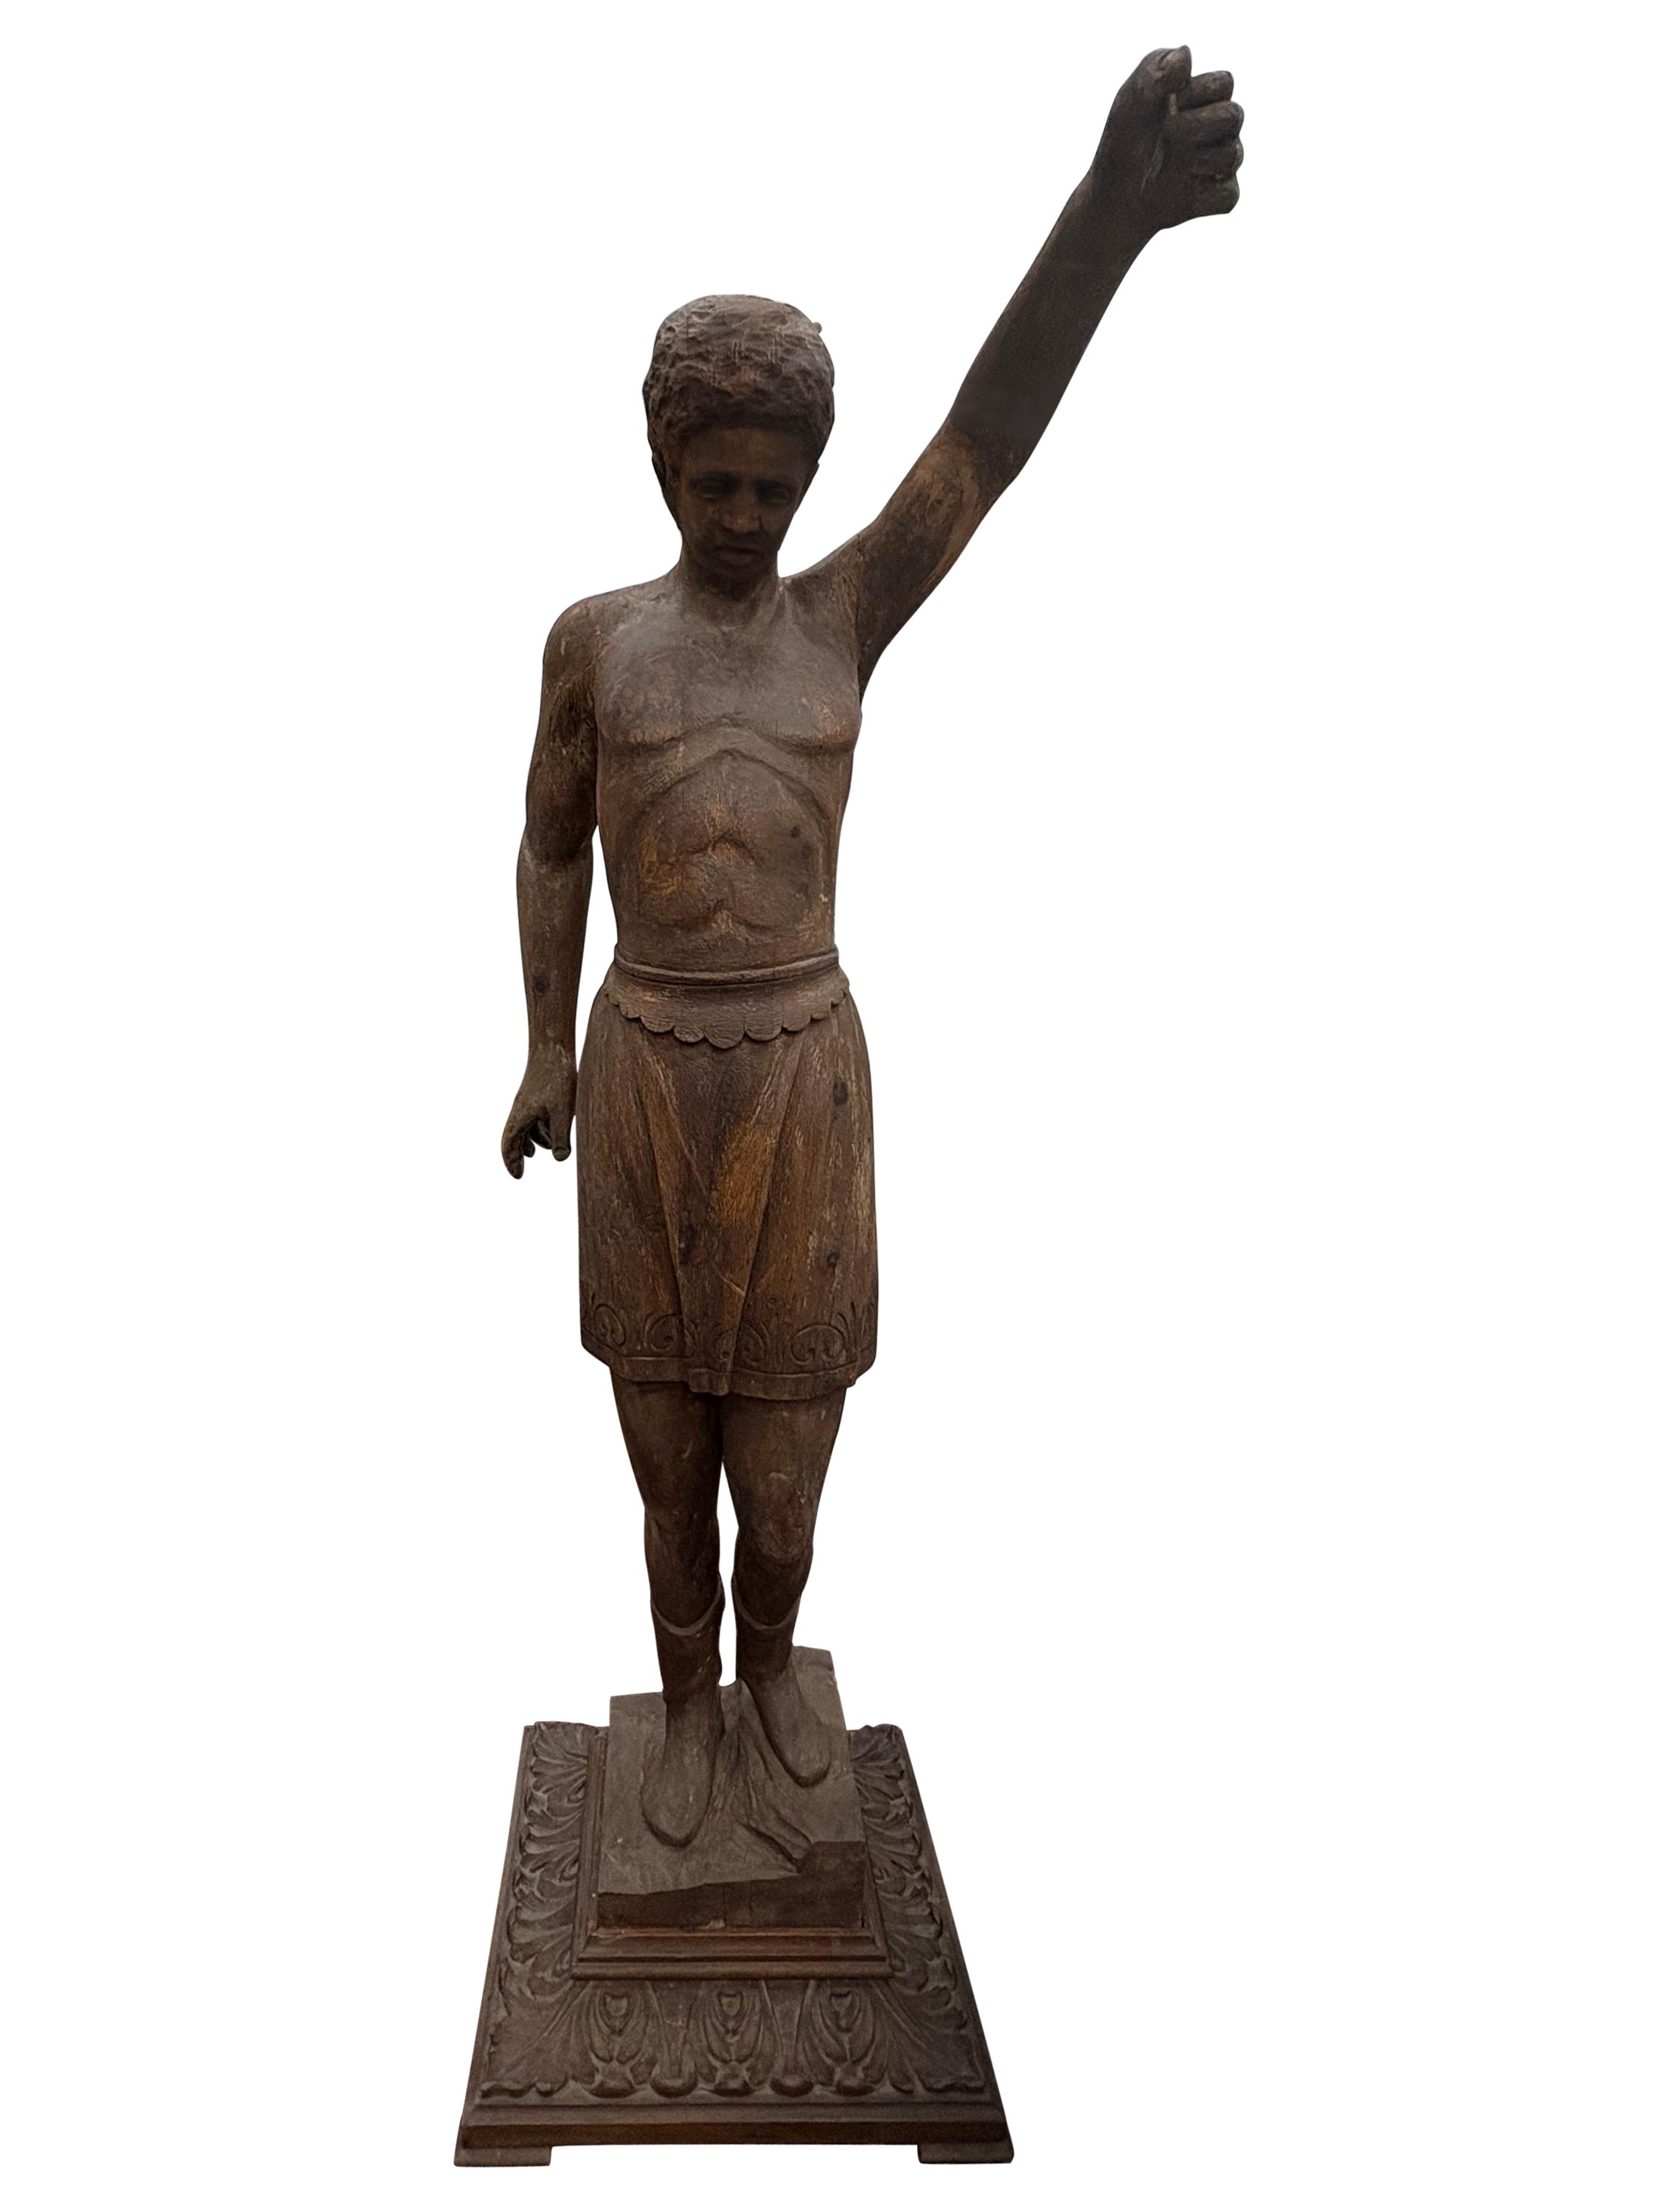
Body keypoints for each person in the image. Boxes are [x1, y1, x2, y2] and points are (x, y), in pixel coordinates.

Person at [501, 49, 1244, 1844]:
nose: (744, 518)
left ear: (807, 477)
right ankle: (685, 1702)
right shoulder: (597, 641)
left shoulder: (843, 613)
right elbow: (546, 839)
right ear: (662, 463)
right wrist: (538, 1046)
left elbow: (985, 441)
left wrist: (1110, 220)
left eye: (771, 487)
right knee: (664, 1456)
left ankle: (771, 1663)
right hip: (648, 1067)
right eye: (714, 483)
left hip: (801, 1081)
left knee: (783, 1478)